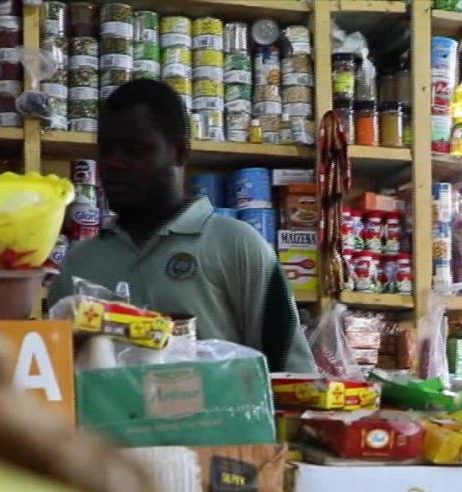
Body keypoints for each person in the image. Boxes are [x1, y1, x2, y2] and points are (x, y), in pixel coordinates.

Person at [46, 79, 315, 373]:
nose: (114, 164)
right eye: (106, 150)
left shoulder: (237, 246)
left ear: (180, 152)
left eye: (134, 149)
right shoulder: (78, 265)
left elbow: (293, 377)